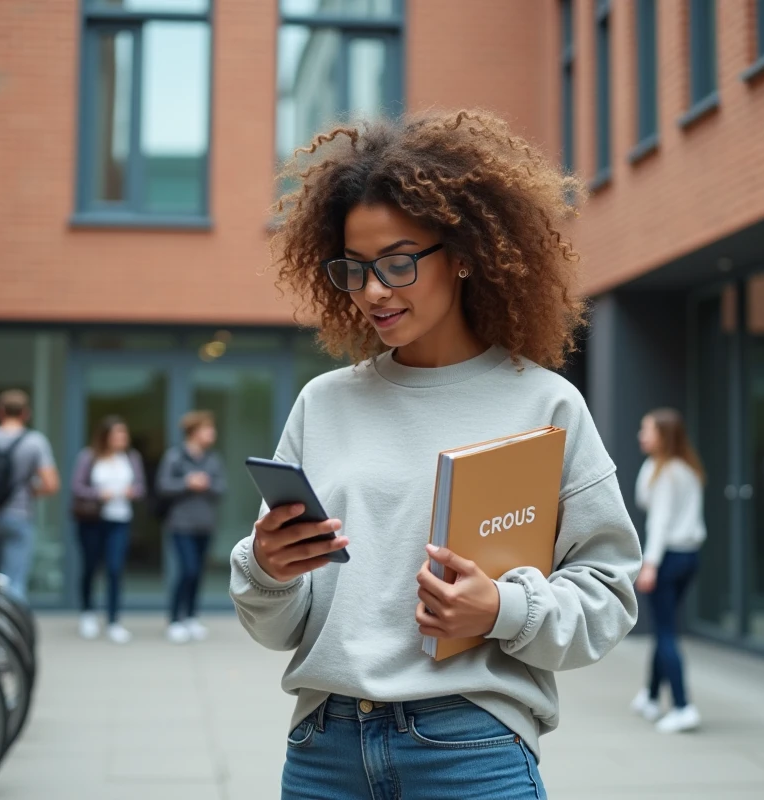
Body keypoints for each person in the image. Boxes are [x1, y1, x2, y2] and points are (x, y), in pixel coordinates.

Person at [230, 110, 642, 798]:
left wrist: (503, 612)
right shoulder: (322, 404)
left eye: (397, 262)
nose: (373, 292)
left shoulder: (544, 406)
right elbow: (282, 625)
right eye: (354, 269)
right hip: (323, 751)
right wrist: (268, 570)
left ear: (461, 253)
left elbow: (608, 596)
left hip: (469, 749)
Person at [630, 408, 707, 734]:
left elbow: (658, 523)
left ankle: (682, 706)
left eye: (646, 430)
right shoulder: (687, 468)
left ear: (663, 435)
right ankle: (650, 696)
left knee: (665, 633)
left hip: (667, 558)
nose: (640, 435)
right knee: (665, 628)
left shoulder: (664, 473)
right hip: (689, 557)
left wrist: (649, 565)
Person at [0, 389, 59, 599]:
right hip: (19, 514)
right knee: (14, 579)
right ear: (26, 413)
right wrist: (31, 490)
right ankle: (11, 627)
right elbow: (51, 484)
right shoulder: (34, 442)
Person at [72, 415, 145, 645]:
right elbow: (77, 487)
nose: (122, 438)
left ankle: (113, 620)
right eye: (117, 434)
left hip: (120, 519)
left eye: (124, 433)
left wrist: (133, 491)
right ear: (106, 436)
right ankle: (88, 613)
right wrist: (98, 494)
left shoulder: (131, 458)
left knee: (115, 568)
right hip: (92, 519)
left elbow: (141, 487)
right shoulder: (88, 457)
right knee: (91, 566)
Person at [156, 410, 226, 644]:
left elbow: (220, 489)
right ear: (194, 432)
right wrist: (187, 483)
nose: (212, 433)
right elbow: (163, 486)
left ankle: (192, 617)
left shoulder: (212, 459)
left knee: (198, 574)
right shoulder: (175, 457)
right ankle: (175, 619)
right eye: (208, 429)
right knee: (188, 570)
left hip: (204, 525)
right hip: (181, 524)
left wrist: (205, 484)